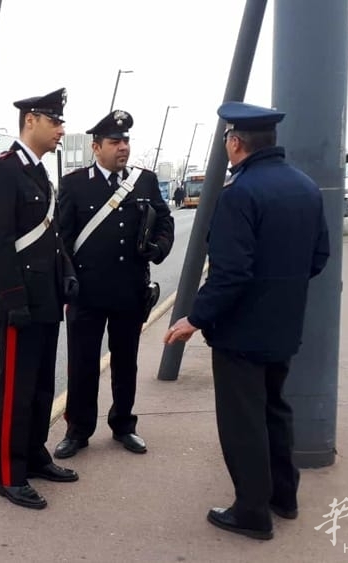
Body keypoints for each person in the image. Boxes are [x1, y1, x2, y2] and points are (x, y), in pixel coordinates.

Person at [164, 101, 330, 541]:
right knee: (275, 409)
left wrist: (195, 319)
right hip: (283, 327)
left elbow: (231, 273)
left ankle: (252, 512)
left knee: (243, 422)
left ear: (236, 143)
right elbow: (318, 257)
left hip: (241, 332)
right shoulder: (306, 187)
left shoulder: (240, 194)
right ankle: (284, 497)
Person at [53, 109, 175, 460]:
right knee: (83, 364)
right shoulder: (75, 184)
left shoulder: (144, 181)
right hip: (87, 292)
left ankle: (123, 424)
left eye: (126, 141)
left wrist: (158, 248)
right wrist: (66, 280)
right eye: (115, 141)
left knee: (126, 362)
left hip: (129, 290)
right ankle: (78, 430)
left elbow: (164, 221)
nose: (123, 147)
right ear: (96, 147)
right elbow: (62, 238)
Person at [0, 87, 80, 510]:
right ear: (31, 121)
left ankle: (35, 455)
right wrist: (14, 299)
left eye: (61, 121)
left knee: (41, 387)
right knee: (16, 391)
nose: (61, 129)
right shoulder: (3, 171)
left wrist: (67, 274)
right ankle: (9, 474)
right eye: (54, 121)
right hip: (19, 302)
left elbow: (51, 237)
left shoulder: (39, 173)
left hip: (46, 298)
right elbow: (0, 243)